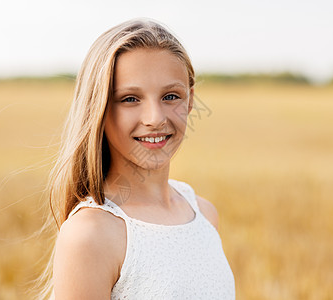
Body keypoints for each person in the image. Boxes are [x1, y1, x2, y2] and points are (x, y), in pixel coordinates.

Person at [39, 18, 235, 299]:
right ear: (99, 108)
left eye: (170, 96)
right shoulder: (90, 234)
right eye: (130, 99)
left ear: (191, 100)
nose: (155, 118)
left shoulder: (204, 214)